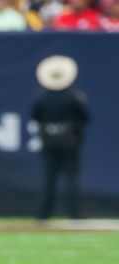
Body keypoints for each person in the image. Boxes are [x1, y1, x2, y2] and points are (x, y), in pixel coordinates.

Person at [32, 55, 89, 220]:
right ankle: (77, 215)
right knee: (72, 178)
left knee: (49, 178)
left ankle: (44, 215)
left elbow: (35, 117)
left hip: (49, 140)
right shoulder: (74, 97)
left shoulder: (41, 97)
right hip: (69, 139)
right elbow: (85, 118)